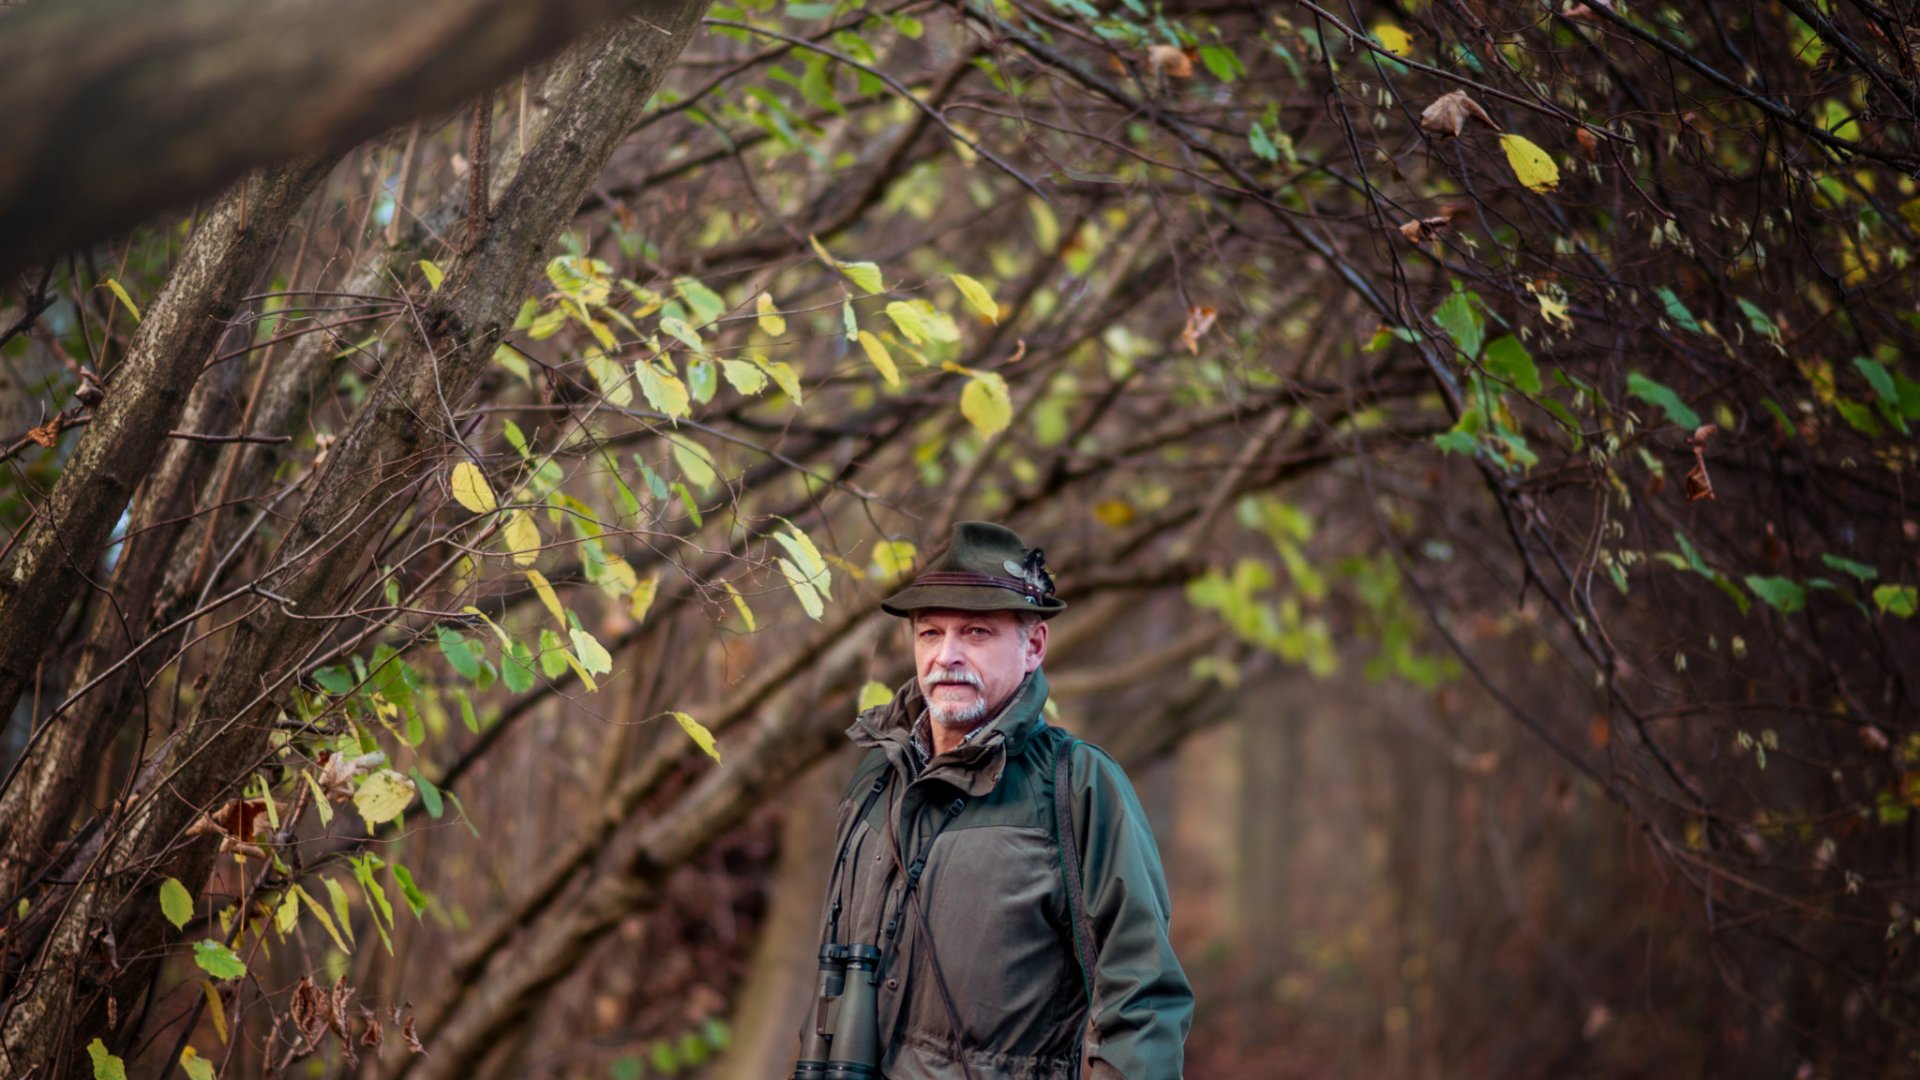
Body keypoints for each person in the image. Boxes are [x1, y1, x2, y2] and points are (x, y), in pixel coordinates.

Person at [795, 521, 1192, 1079]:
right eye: (930, 633)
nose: (946, 656)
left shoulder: (1078, 786)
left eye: (976, 632)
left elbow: (1143, 1001)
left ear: (1034, 646)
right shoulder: (875, 777)